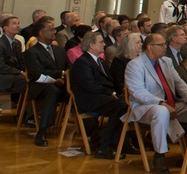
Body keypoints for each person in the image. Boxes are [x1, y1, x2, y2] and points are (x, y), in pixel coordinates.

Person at [126, 33, 187, 174]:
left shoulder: (166, 61)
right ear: (150, 47)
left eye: (164, 44)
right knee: (161, 111)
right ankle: (160, 155)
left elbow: (179, 83)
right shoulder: (135, 65)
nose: (165, 47)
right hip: (146, 106)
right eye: (161, 45)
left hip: (171, 104)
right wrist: (161, 102)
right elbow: (138, 92)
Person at [69, 31, 129, 159]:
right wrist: (110, 92)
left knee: (125, 105)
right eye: (101, 42)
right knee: (121, 107)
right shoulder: (82, 62)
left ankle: (103, 138)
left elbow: (109, 81)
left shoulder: (99, 61)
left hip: (100, 96)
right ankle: (105, 145)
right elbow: (90, 86)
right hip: (88, 99)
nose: (104, 44)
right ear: (91, 45)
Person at [23, 17, 69, 147]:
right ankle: (42, 131)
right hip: (40, 85)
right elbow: (37, 72)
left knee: (78, 91)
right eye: (51, 29)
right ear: (41, 33)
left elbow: (69, 67)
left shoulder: (59, 50)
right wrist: (59, 76)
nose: (54, 32)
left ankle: (89, 129)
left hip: (61, 84)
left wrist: (63, 77)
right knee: (52, 91)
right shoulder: (32, 52)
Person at [110, 31, 142, 96]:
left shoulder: (142, 58)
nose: (141, 44)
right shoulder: (118, 60)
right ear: (129, 45)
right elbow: (118, 83)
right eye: (137, 42)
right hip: (129, 93)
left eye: (140, 42)